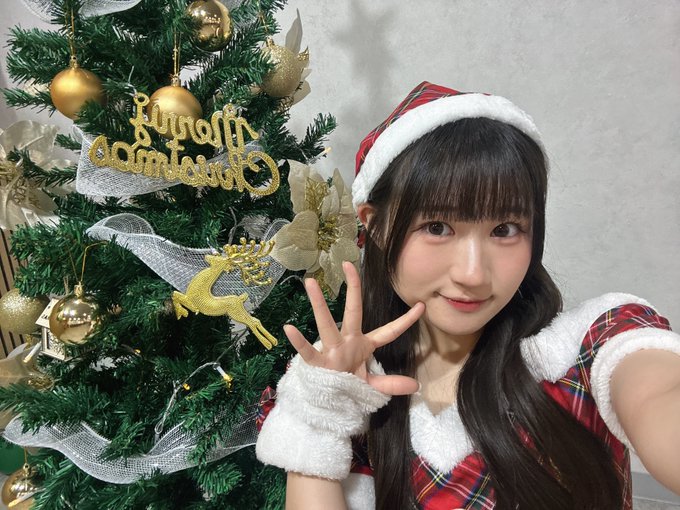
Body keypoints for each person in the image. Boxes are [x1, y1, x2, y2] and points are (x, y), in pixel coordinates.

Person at [256, 82, 680, 509]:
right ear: (376, 225)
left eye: (505, 230)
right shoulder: (357, 390)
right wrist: (322, 415)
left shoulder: (587, 350)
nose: (473, 274)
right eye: (437, 227)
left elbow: (660, 395)